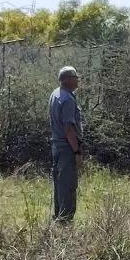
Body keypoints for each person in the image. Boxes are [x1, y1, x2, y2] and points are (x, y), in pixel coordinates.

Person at [48, 65, 83, 223]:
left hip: (56, 145)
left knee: (59, 184)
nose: (77, 81)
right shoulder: (68, 100)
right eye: (75, 78)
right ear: (68, 80)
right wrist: (76, 152)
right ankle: (65, 222)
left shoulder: (55, 94)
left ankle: (58, 217)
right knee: (68, 185)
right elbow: (69, 129)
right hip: (67, 148)